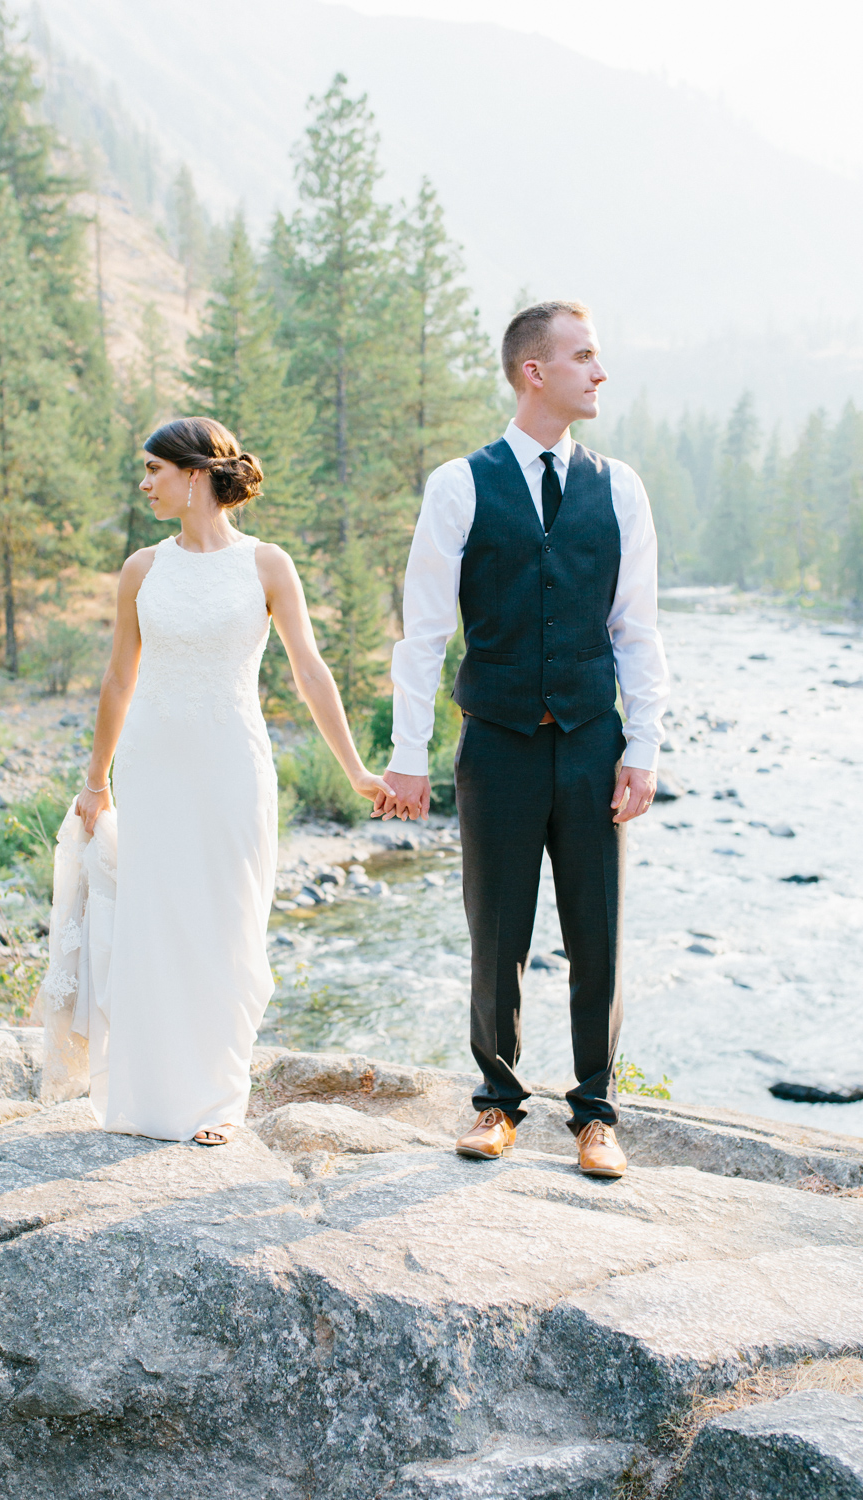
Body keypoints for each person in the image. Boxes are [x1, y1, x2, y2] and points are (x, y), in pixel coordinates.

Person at [375, 301, 669, 1179]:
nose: (599, 372)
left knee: (598, 933)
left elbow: (637, 629)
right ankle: (497, 1105)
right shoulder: (459, 484)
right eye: (584, 357)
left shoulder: (620, 487)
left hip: (591, 743)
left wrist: (643, 745)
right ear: (533, 371)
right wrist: (408, 755)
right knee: (495, 930)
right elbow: (423, 633)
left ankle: (595, 1115)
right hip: (496, 743)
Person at [41, 416, 391, 1145]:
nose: (144, 484)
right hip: (154, 768)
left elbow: (309, 672)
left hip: (233, 766)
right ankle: (152, 1100)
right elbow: (117, 680)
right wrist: (95, 780)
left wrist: (355, 769)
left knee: (229, 927)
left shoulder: (267, 565)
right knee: (156, 928)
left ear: (194, 473)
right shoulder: (142, 568)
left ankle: (220, 1103)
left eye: (153, 470)